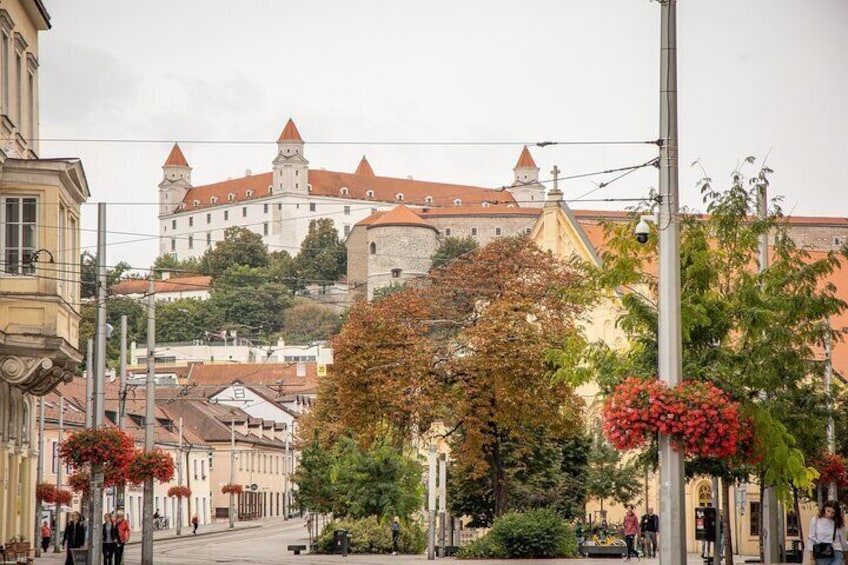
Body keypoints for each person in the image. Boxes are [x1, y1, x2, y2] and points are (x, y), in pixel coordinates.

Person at [808, 500, 845, 565]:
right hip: (821, 554)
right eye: (828, 511)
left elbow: (843, 541)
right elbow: (811, 539)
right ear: (824, 508)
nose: (830, 514)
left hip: (837, 553)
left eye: (833, 512)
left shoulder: (838, 523)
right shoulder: (816, 520)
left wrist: (846, 556)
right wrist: (812, 558)